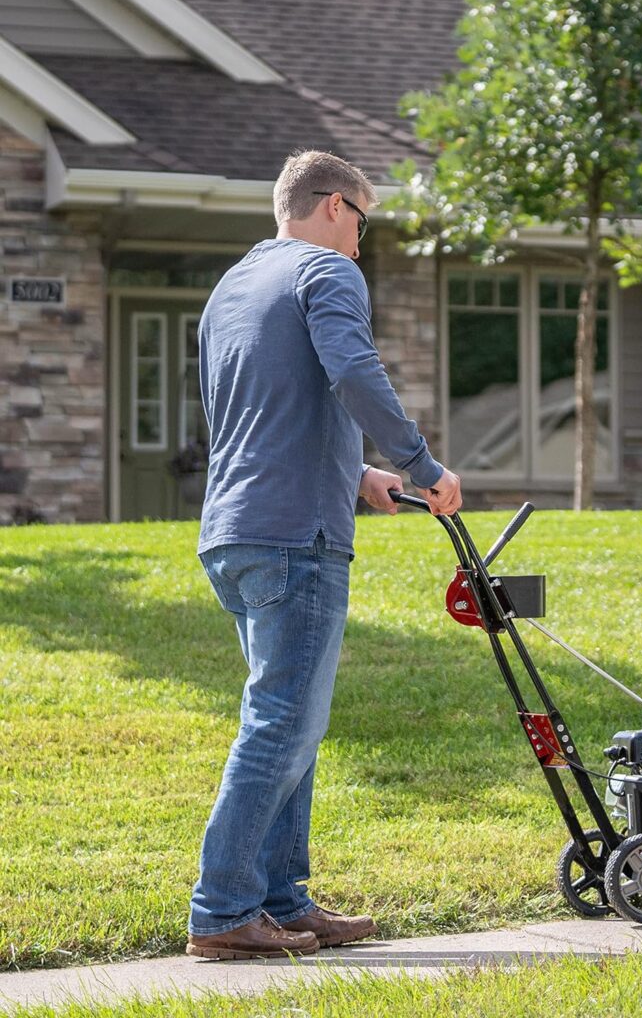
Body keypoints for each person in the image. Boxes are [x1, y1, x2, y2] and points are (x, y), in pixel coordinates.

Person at [186, 150, 462, 960]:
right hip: (294, 536)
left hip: (235, 532)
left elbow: (264, 409)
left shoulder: (234, 286)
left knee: (290, 724)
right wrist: (420, 462)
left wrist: (359, 475)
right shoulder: (327, 272)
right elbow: (353, 371)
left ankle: (280, 899)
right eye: (364, 223)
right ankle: (223, 910)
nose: (361, 243)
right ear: (335, 205)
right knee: (280, 725)